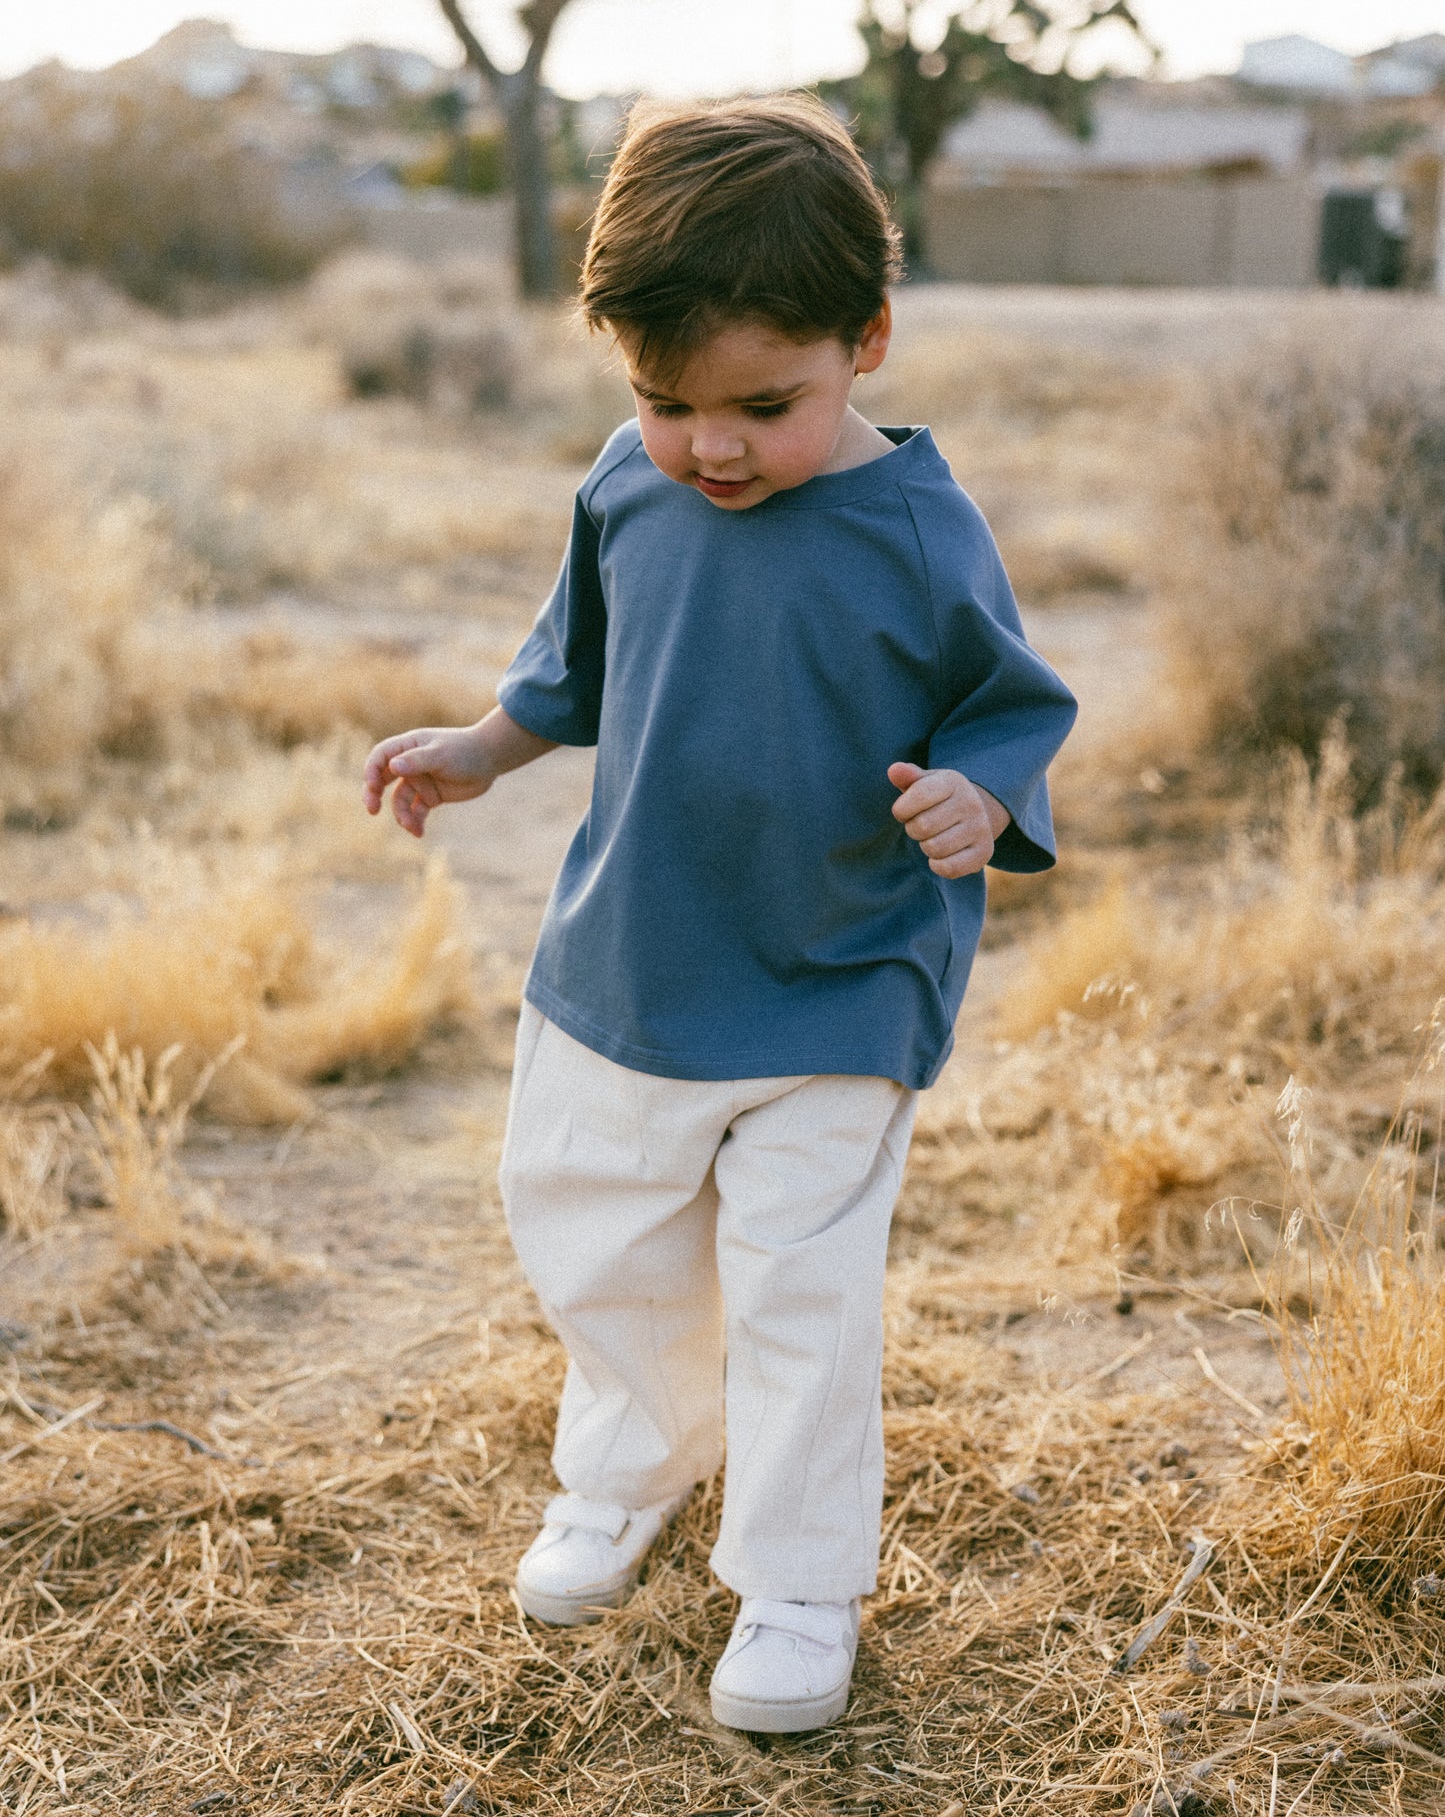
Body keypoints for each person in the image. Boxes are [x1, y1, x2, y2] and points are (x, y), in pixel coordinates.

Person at [362, 94, 1076, 1734]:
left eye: (764, 402)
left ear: (867, 341)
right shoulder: (629, 479)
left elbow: (1008, 705)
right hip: (634, 953)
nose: (714, 447)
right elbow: (574, 666)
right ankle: (631, 1465)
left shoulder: (916, 528)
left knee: (798, 1289)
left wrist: (980, 795)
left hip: (838, 975)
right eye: (665, 401)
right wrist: (482, 749)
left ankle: (797, 1582)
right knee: (587, 1228)